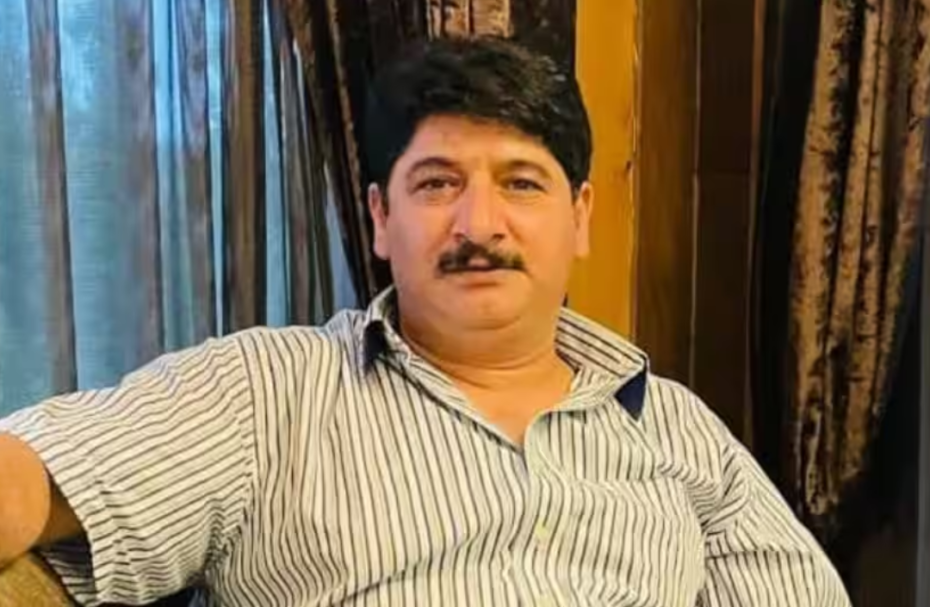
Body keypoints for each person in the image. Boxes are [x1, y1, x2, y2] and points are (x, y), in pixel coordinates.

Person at [0, 36, 849, 606]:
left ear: (580, 216)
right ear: (380, 218)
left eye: (521, 183)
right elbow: (31, 479)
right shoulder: (266, 392)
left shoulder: (678, 431)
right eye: (438, 183)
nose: (479, 224)